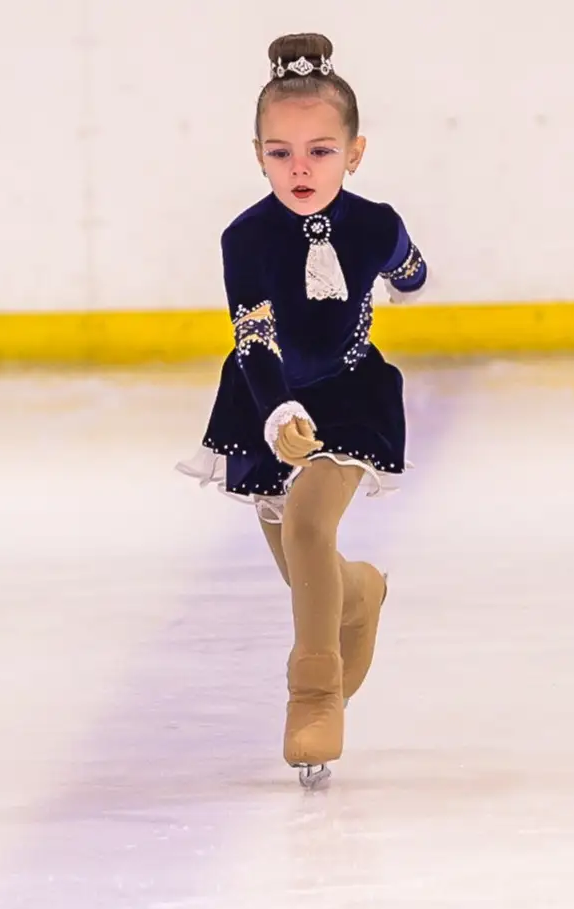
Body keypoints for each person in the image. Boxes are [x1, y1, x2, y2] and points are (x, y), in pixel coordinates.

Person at [177, 32, 428, 787]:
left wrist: (404, 277)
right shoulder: (246, 238)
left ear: (353, 152)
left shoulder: (374, 222)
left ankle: (312, 692)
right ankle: (366, 590)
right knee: (307, 571)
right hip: (265, 397)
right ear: (257, 153)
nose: (299, 169)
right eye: (280, 152)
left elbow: (407, 268)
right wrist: (277, 409)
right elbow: (252, 334)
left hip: (351, 395)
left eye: (320, 151)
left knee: (313, 525)